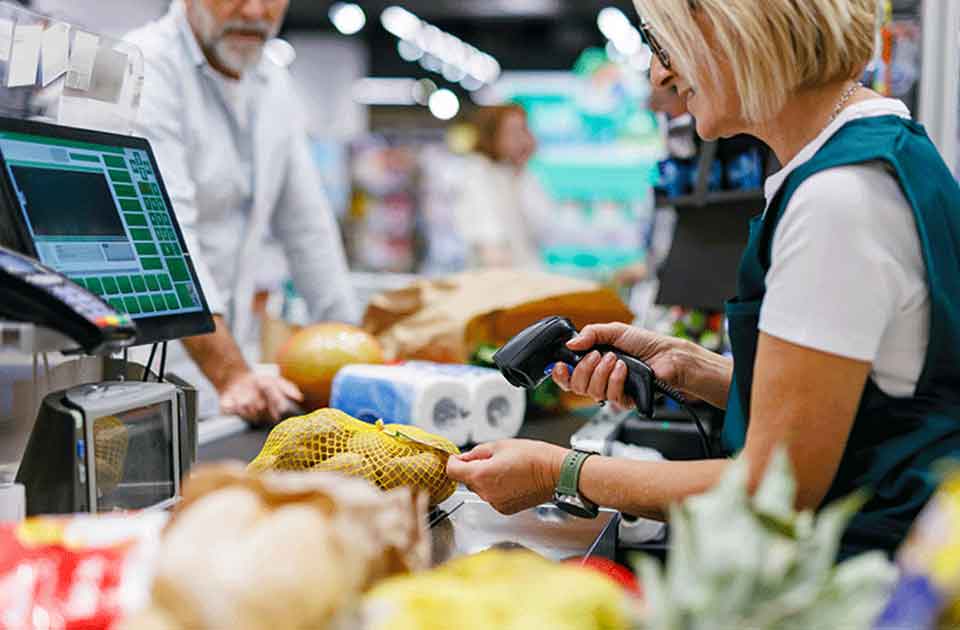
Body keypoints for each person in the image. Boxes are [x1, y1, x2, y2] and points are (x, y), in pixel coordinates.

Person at [447, 0, 960, 558]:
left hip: (863, 577)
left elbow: (772, 488)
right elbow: (863, 397)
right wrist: (693, 368)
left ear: (739, 33)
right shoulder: (881, 150)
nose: (659, 76)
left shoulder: (836, 202)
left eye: (668, 47)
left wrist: (562, 472)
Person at [126, 0, 357, 423]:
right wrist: (230, 373)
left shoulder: (273, 82)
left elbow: (309, 231)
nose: (254, 11)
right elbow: (165, 234)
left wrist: (356, 361)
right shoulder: (143, 67)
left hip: (233, 378)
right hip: (145, 375)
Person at [454, 104, 553, 269]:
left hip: (525, 275)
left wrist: (520, 171)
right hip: (500, 280)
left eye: (523, 130)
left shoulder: (520, 174)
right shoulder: (478, 172)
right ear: (492, 134)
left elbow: (542, 225)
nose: (521, 139)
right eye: (512, 132)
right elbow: (490, 239)